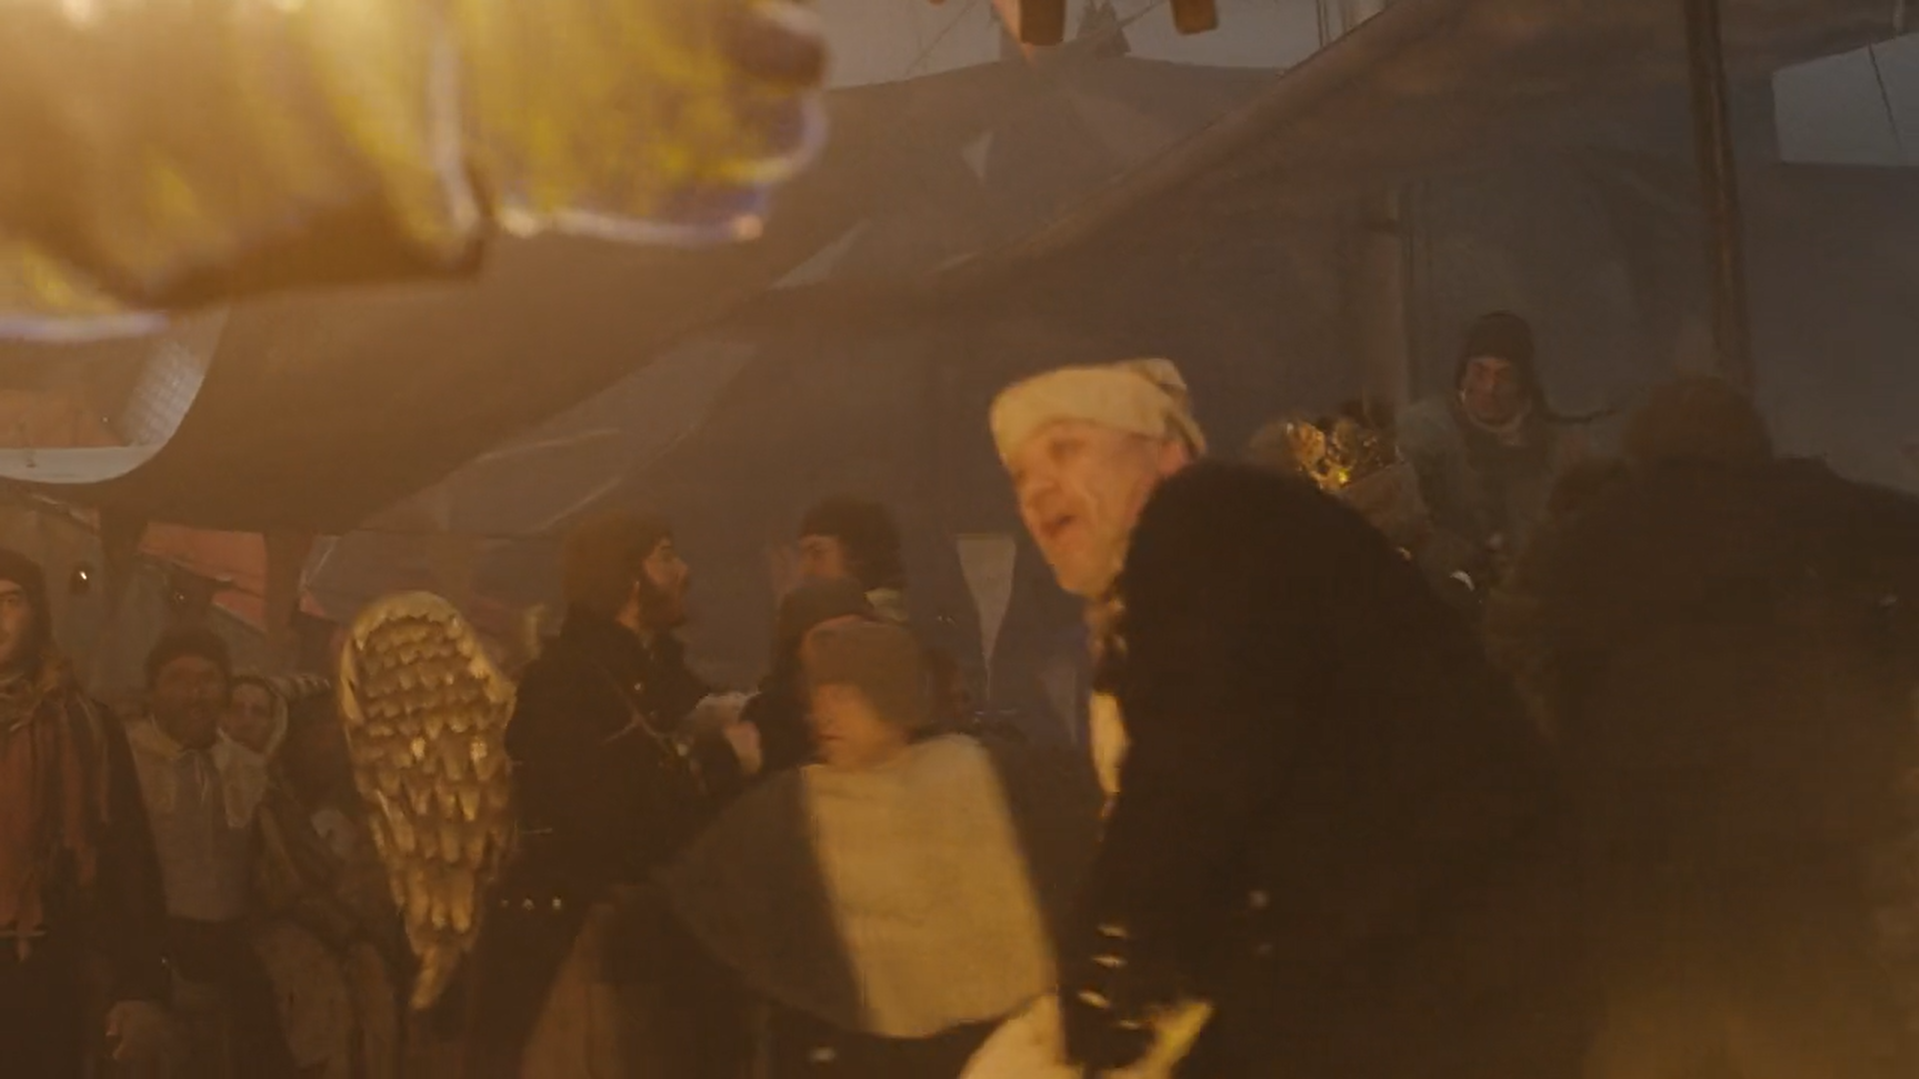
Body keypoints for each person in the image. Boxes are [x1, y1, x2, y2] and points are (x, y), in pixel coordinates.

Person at [989, 358, 1583, 1078]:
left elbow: (1193, 770)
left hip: (1435, 961)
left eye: (1066, 448)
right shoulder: (1228, 548)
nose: (1037, 489)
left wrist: (1108, 952)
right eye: (1019, 474)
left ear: (1166, 454)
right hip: (1454, 953)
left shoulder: (1197, 523)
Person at [1490, 376, 1919, 1077]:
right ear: (1749, 439)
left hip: (1637, 845)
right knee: (1820, 1027)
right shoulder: (1801, 506)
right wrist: (1882, 669)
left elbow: (1534, 660)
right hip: (1793, 834)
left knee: (1653, 1031)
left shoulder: (1590, 535)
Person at [663, 620, 1103, 1079]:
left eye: (845, 695)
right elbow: (694, 903)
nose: (824, 714)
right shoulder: (791, 808)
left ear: (892, 697)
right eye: (819, 696)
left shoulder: (988, 772)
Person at [464, 512, 760, 1078]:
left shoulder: (657, 672)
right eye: (665, 556)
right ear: (628, 576)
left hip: (652, 955)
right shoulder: (562, 682)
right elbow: (602, 822)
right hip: (576, 955)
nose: (683, 571)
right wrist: (720, 760)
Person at [0, 548, 172, 1078]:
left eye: (10, 600)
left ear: (38, 613)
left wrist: (141, 986)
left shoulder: (84, 727)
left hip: (48, 965)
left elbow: (128, 855)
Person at [126, 626, 297, 1077]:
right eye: (177, 680)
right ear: (152, 691)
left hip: (230, 945)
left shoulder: (248, 770)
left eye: (207, 680)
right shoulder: (124, 758)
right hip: (145, 945)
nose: (195, 695)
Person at [1397, 311, 1584, 578]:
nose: (1490, 388)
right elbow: (1409, 525)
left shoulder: (1561, 448)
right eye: (1479, 372)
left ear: (1522, 383)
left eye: (1504, 376)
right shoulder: (1422, 431)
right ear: (1463, 375)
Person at [743, 576, 875, 774]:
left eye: (856, 632)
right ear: (796, 649)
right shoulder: (768, 717)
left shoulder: (893, 696)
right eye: (826, 638)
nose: (844, 646)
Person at [798, 496, 909, 624]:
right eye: (803, 555)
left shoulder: (869, 626)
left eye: (817, 553)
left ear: (858, 556)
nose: (804, 570)